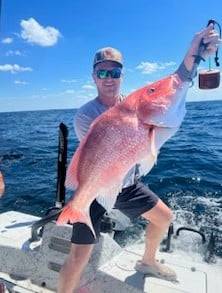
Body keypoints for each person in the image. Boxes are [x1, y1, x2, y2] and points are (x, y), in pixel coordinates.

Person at [58, 24, 221, 293]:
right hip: (98, 183)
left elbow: (173, 86)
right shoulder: (86, 115)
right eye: (102, 72)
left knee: (164, 218)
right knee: (79, 256)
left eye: (115, 72)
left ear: (122, 75)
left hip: (127, 184)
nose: (109, 77)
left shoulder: (133, 102)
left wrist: (195, 55)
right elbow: (99, 155)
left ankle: (147, 262)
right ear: (93, 77)